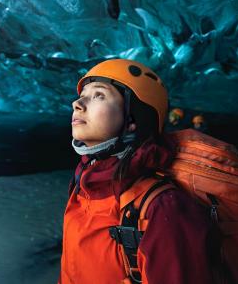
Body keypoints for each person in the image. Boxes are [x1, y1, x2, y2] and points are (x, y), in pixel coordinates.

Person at [59, 58, 216, 284]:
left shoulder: (161, 206)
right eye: (82, 94)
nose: (77, 103)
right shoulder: (84, 182)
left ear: (133, 120)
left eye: (99, 95)